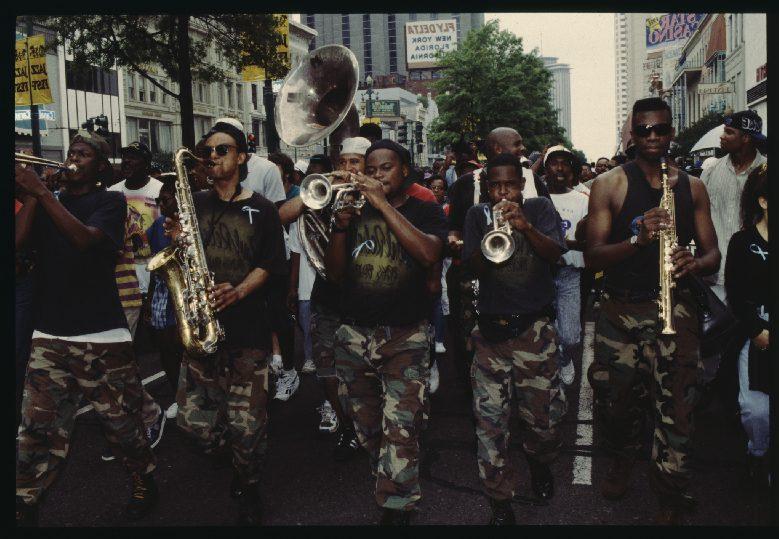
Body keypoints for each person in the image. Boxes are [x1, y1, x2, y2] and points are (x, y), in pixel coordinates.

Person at [585, 97, 721, 525]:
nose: (652, 138)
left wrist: (694, 262)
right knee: (616, 403)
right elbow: (593, 257)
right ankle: (624, 458)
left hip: (674, 307)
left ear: (671, 131)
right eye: (643, 131)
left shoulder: (692, 186)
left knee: (677, 406)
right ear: (632, 133)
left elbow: (713, 253)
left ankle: (670, 492)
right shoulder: (609, 184)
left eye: (660, 130)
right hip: (621, 310)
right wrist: (639, 241)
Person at [15, 131, 158, 526]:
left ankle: (144, 479)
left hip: (101, 335)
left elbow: (85, 241)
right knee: (36, 427)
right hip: (49, 333)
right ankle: (24, 500)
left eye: (82, 154)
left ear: (100, 167)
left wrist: (43, 196)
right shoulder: (49, 201)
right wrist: (32, 195)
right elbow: (17, 243)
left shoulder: (110, 202)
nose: (72, 158)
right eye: (71, 152)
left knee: (121, 425)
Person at [325, 140, 447, 525]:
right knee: (366, 424)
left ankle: (397, 504)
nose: (376, 175)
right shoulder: (351, 210)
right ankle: (393, 467)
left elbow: (429, 254)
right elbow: (335, 274)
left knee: (402, 424)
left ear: (405, 171)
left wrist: (381, 205)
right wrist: (341, 228)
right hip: (354, 334)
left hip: (405, 335)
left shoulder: (425, 211)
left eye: (385, 168)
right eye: (371, 169)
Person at [171, 121, 288, 525]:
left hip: (248, 329)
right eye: (209, 150)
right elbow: (181, 258)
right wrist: (176, 241)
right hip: (202, 329)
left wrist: (238, 291)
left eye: (223, 150)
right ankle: (232, 454)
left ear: (242, 157)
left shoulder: (263, 208)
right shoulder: (195, 202)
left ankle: (249, 483)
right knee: (191, 426)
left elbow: (272, 264)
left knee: (248, 426)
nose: (214, 156)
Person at [462, 153, 567, 525]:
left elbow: (556, 254)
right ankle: (499, 499)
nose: (503, 191)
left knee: (542, 421)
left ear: (522, 185)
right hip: (490, 332)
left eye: (509, 184)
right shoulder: (477, 215)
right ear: (486, 187)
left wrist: (524, 227)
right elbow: (469, 266)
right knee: (490, 423)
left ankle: (539, 463)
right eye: (495, 185)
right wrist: (490, 239)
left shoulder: (539, 208)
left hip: (533, 330)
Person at [446, 127, 552, 388]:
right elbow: (454, 228)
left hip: (529, 297)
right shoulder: (465, 187)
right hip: (480, 293)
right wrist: (458, 239)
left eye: (510, 185)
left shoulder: (535, 185)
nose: (522, 149)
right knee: (470, 346)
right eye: (517, 145)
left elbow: (552, 248)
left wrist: (525, 225)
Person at [724, 163, 771, 487]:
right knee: (756, 411)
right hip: (757, 339)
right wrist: (757, 330)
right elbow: (736, 294)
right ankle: (758, 453)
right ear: (764, 201)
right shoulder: (743, 242)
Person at [701, 110, 767, 302]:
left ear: (746, 138)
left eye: (729, 132)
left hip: (756, 278)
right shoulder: (711, 171)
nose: (722, 136)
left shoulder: (767, 173)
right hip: (715, 278)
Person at [544, 145, 589, 387]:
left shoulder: (583, 199)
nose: (559, 168)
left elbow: (587, 242)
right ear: (546, 167)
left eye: (564, 163)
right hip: (541, 274)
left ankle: (564, 358)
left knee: (571, 336)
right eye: (553, 162)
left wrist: (562, 248)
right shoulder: (537, 200)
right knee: (544, 331)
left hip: (570, 274)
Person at [146, 177, 184, 421]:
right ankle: (177, 396)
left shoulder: (192, 221)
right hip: (163, 290)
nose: (161, 204)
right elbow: (154, 262)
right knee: (166, 349)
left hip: (186, 292)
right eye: (158, 200)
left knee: (185, 349)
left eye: (166, 199)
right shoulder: (158, 225)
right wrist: (150, 300)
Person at [109, 141, 163, 298]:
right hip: (124, 282)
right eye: (125, 157)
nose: (126, 161)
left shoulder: (160, 189)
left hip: (153, 277)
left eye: (133, 157)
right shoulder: (112, 192)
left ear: (146, 164)